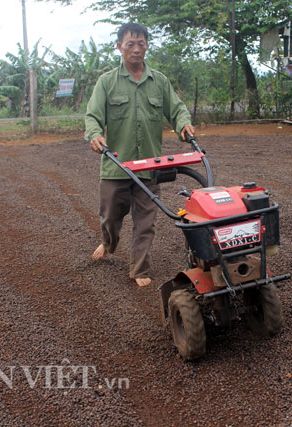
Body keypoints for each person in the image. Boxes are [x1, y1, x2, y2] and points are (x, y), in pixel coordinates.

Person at [85, 22, 196, 287]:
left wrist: (183, 124)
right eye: (130, 44)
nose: (136, 49)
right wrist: (95, 134)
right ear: (119, 46)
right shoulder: (107, 82)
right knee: (111, 217)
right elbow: (93, 116)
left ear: (147, 45)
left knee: (146, 221)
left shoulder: (159, 81)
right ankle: (108, 243)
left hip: (149, 166)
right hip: (116, 165)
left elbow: (177, 108)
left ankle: (139, 268)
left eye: (141, 43)